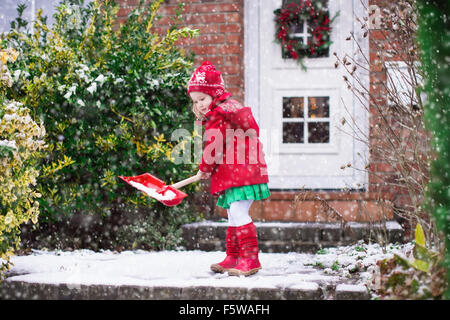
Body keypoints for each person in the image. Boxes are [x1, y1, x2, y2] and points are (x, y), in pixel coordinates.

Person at [187, 61, 270, 276]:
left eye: (203, 99)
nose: (200, 105)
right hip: (244, 170)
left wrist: (205, 167)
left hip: (241, 172)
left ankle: (250, 260)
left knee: (238, 211)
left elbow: (214, 146)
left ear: (215, 94)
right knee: (233, 214)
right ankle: (233, 257)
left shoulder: (219, 115)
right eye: (195, 101)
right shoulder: (231, 109)